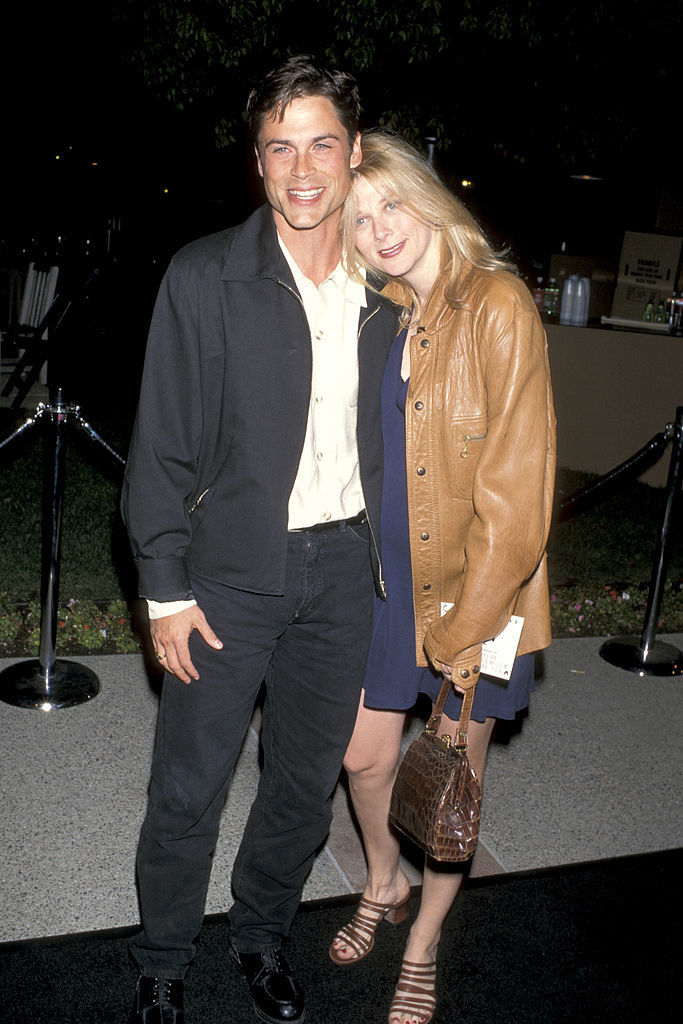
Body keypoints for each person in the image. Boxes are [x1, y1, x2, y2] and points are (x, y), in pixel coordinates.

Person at [121, 58, 397, 1024]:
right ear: (258, 163)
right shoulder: (206, 275)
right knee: (188, 788)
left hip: (343, 573)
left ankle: (260, 937)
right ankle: (160, 960)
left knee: (301, 782)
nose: (303, 166)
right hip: (229, 576)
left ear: (354, 154)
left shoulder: (386, 290)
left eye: (322, 142)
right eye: (281, 146)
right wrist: (165, 590)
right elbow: (156, 447)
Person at [328, 131, 556, 1024]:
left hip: (474, 599)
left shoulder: (498, 304)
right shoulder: (384, 312)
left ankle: (420, 944)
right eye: (359, 217)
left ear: (427, 197)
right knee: (365, 756)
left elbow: (519, 490)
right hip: (391, 590)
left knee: (451, 783)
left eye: (392, 203)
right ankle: (381, 879)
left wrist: (463, 633)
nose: (380, 228)